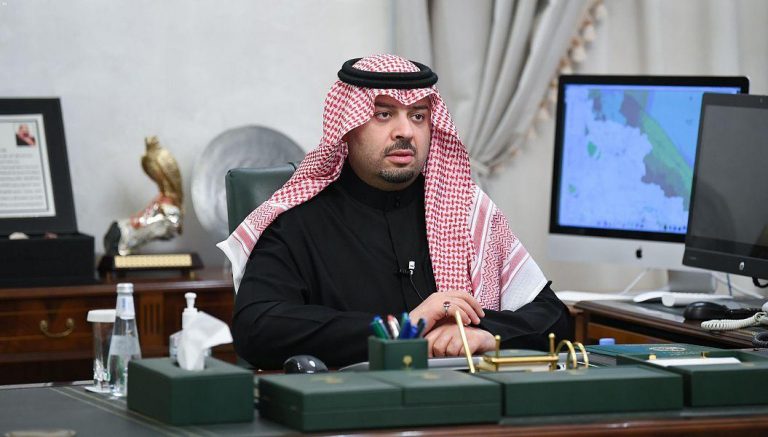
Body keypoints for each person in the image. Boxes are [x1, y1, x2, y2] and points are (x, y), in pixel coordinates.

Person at [218, 54, 571, 369]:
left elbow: (554, 317)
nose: (405, 132)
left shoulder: (466, 211)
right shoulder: (299, 219)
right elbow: (257, 328)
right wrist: (400, 330)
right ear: (348, 127)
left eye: (418, 116)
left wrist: (488, 334)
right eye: (383, 115)